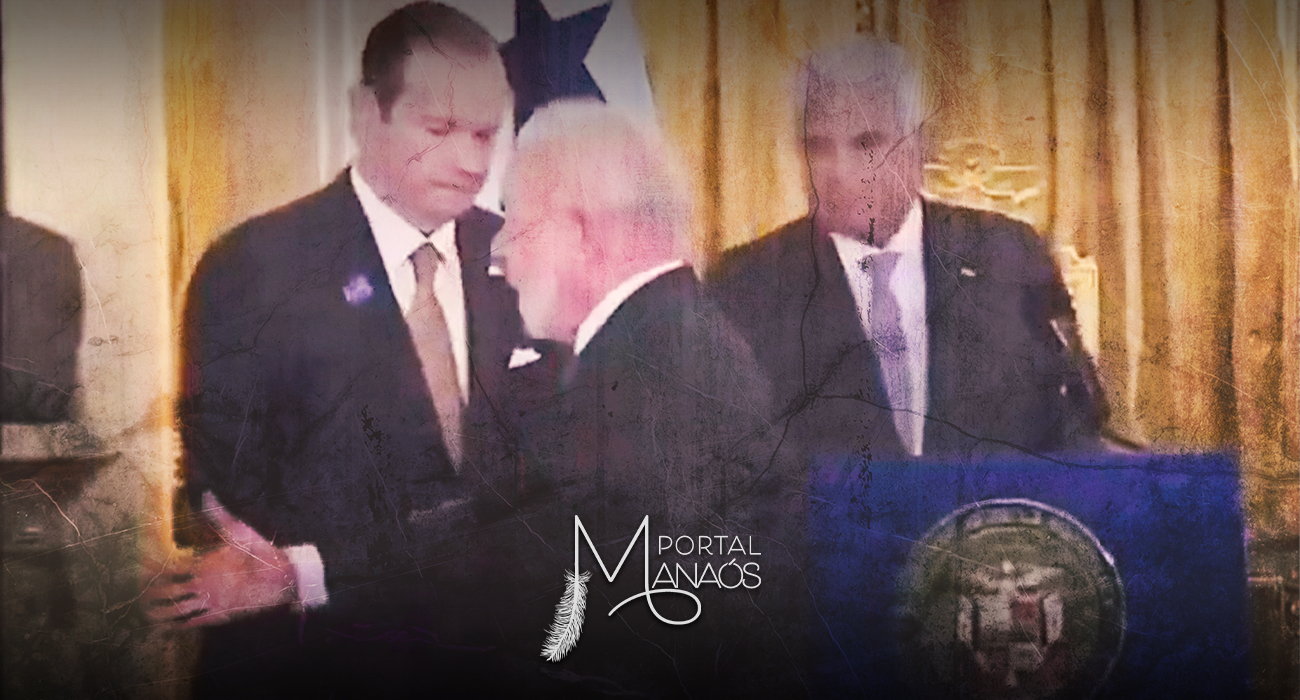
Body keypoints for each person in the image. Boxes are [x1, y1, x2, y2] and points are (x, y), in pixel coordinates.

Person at [144, 3, 538, 696]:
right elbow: (237, 501)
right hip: (316, 665)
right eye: (439, 130)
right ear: (365, 112)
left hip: (491, 665)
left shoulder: (519, 256)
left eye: (484, 133)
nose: (469, 161)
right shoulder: (253, 268)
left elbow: (539, 488)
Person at [486, 99, 808, 697]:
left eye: (515, 219)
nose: (500, 252)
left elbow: (535, 569)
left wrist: (328, 582)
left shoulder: (648, 373)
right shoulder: (665, 341)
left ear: (578, 233)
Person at [706, 38, 1104, 465]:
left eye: (866, 144)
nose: (838, 171)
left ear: (920, 145)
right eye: (816, 147)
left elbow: (1075, 423)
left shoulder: (1006, 254)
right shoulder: (747, 282)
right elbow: (732, 463)